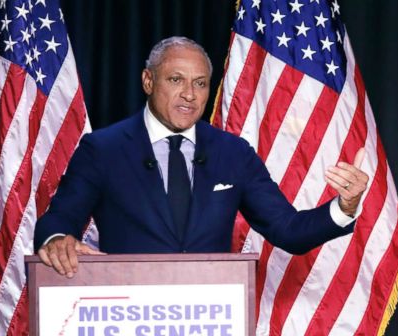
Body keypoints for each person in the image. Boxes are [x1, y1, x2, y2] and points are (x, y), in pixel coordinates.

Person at [35, 36, 369, 275]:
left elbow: (290, 230)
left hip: (210, 332)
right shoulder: (103, 149)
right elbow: (59, 218)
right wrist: (56, 239)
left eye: (200, 83)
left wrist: (344, 207)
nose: (189, 95)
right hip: (128, 323)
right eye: (176, 80)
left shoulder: (232, 153)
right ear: (148, 81)